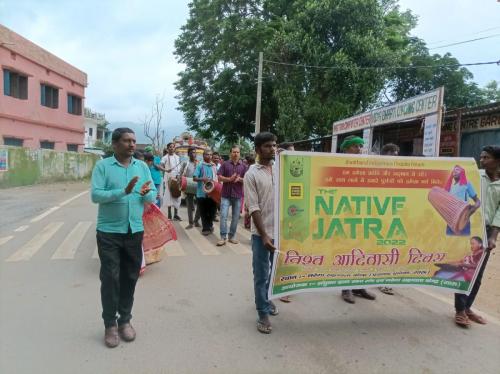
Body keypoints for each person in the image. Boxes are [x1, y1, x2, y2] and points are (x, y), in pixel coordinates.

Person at [91, 128, 156, 348]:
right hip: (109, 231)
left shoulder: (142, 167)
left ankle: (125, 320)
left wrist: (147, 192)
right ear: (115, 144)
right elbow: (96, 195)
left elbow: (152, 193)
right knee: (110, 277)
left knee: (130, 276)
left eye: (133, 141)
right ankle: (110, 324)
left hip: (134, 230)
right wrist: (123, 191)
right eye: (127, 141)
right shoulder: (103, 166)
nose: (131, 144)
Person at [454, 145, 500, 328]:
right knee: (466, 270)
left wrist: (493, 236)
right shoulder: (474, 175)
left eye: (486, 158)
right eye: (481, 157)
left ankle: (467, 308)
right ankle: (459, 310)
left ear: (497, 161)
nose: (482, 161)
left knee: (478, 274)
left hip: (487, 231)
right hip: (470, 228)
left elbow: (499, 211)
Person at [244, 132, 279, 334]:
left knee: (276, 273)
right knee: (261, 273)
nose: (272, 149)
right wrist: (264, 235)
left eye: (274, 145)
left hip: (281, 232)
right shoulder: (251, 174)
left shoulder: (281, 170)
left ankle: (267, 300)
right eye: (267, 146)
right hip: (261, 234)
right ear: (258, 150)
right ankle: (262, 312)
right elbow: (253, 207)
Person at [339, 135, 377, 304]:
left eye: (360, 146)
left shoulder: (365, 165)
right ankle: (345, 288)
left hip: (364, 214)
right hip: (346, 215)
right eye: (354, 146)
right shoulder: (338, 165)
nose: (358, 149)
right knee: (348, 252)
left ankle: (359, 286)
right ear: (346, 149)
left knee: (363, 252)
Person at [378, 143, 401, 295]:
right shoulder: (376, 170)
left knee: (390, 248)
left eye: (397, 154)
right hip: (378, 215)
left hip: (393, 215)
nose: (395, 157)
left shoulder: (399, 172)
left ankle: (384, 279)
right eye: (393, 154)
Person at [216, 145, 247, 246]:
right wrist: (229, 179)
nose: (236, 154)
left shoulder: (243, 166)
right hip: (225, 194)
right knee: (223, 216)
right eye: (234, 152)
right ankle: (222, 237)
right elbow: (219, 177)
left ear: (239, 153)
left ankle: (232, 236)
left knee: (235, 217)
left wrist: (240, 179)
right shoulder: (225, 164)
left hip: (237, 195)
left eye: (237, 152)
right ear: (230, 153)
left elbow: (247, 180)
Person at [444, 165, 481, 236]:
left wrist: (470, 211)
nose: (455, 171)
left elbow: (477, 201)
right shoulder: (451, 187)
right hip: (451, 220)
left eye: (457, 170)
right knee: (449, 242)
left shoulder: (466, 184)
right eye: (454, 170)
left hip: (463, 219)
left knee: (464, 241)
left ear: (462, 172)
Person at [193, 149, 218, 235]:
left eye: (211, 155)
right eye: (207, 154)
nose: (209, 156)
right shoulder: (200, 165)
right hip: (201, 193)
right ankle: (205, 228)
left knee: (212, 211)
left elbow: (217, 178)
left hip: (212, 193)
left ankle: (210, 226)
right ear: (204, 156)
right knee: (203, 212)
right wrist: (202, 179)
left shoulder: (214, 166)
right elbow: (194, 178)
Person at [161, 143, 182, 221]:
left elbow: (180, 168)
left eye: (173, 147)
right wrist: (165, 170)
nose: (172, 148)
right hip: (168, 179)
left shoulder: (177, 157)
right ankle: (169, 214)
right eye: (170, 147)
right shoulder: (164, 158)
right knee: (169, 196)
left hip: (177, 179)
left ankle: (176, 214)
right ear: (167, 148)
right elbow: (160, 166)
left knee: (177, 196)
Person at [181, 147, 201, 229]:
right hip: (188, 187)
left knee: (200, 204)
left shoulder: (199, 163)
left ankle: (196, 220)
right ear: (188, 154)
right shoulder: (185, 163)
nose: (194, 154)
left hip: (198, 186)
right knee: (189, 205)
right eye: (192, 152)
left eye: (195, 152)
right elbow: (181, 173)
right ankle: (190, 223)